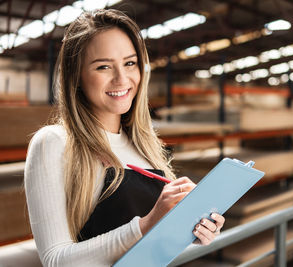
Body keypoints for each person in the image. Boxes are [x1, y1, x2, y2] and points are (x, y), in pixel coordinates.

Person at [24, 9, 225, 266]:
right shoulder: (54, 142)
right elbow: (57, 260)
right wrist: (146, 225)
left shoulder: (145, 146)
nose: (122, 78)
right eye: (104, 66)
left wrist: (193, 229)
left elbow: (153, 248)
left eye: (130, 63)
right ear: (76, 76)